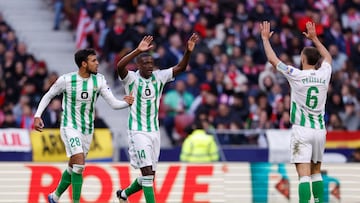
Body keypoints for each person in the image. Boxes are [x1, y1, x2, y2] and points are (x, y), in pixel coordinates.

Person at [33, 48, 134, 203]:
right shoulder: (66, 80)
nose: (97, 63)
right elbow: (49, 95)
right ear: (84, 64)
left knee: (73, 166)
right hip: (69, 126)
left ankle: (55, 196)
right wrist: (37, 115)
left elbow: (113, 104)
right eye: (94, 61)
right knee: (79, 163)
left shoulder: (99, 80)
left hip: (87, 129)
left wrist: (125, 103)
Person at [116, 33, 199, 203]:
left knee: (150, 177)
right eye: (145, 63)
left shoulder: (159, 77)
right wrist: (137, 50)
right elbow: (119, 66)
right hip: (138, 131)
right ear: (138, 65)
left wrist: (188, 52)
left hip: (154, 131)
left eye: (151, 63)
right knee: (146, 174)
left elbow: (181, 68)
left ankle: (123, 195)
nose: (148, 66)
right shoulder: (131, 79)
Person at [260, 21, 332, 203]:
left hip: (302, 130)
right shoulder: (324, 73)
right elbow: (328, 57)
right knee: (316, 173)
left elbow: (273, 60)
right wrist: (315, 38)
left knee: (304, 176)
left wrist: (265, 40)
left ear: (303, 59)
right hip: (320, 130)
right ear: (317, 62)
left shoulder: (296, 75)